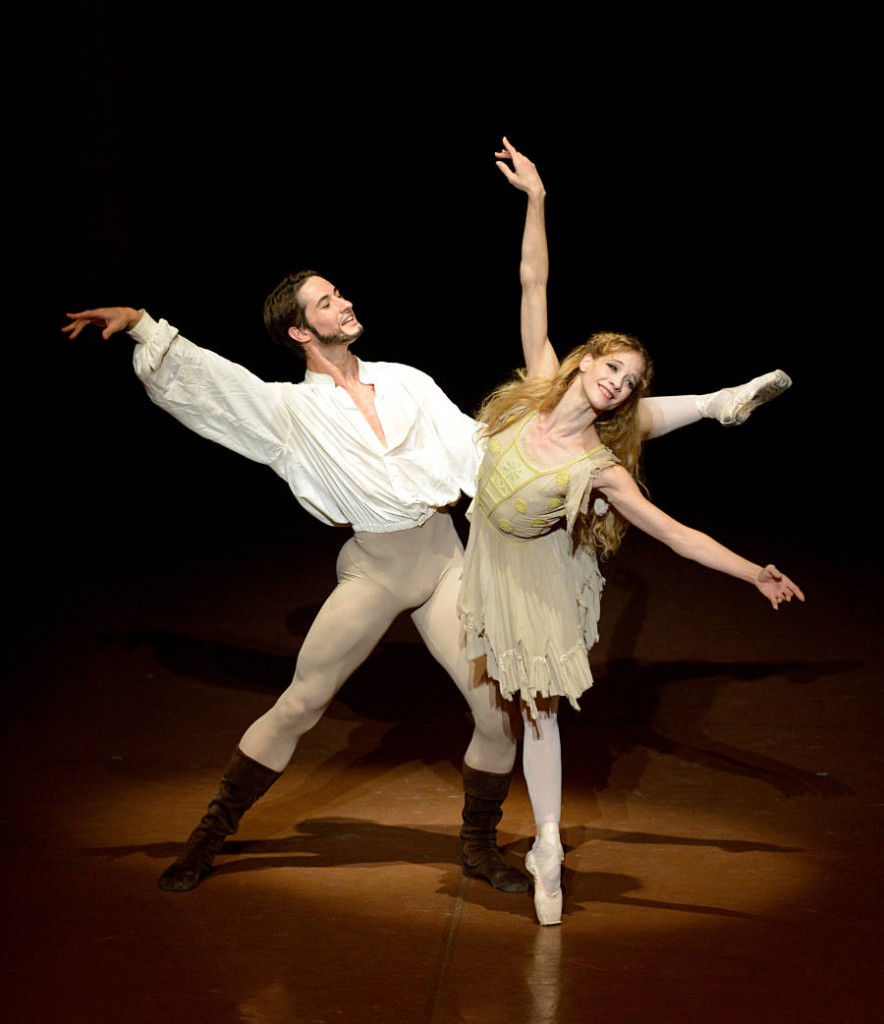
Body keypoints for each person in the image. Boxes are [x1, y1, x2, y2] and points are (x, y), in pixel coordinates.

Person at [61, 200, 790, 897]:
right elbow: (217, 387)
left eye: (339, 293)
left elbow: (483, 448)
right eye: (325, 302)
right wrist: (143, 328)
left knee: (496, 714)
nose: (342, 304)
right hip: (378, 569)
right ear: (299, 332)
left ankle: (478, 849)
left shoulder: (404, 381)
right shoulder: (288, 411)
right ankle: (209, 835)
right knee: (302, 700)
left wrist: (567, 447)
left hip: (448, 561)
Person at [457, 138, 805, 926]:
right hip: (488, 551)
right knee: (508, 706)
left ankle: (547, 844)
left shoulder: (598, 466)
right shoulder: (536, 385)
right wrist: (537, 199)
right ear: (586, 362)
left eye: (630, 381)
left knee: (539, 711)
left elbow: (677, 536)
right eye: (611, 366)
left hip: (532, 576)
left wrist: (754, 572)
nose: (616, 381)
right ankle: (715, 403)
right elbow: (532, 279)